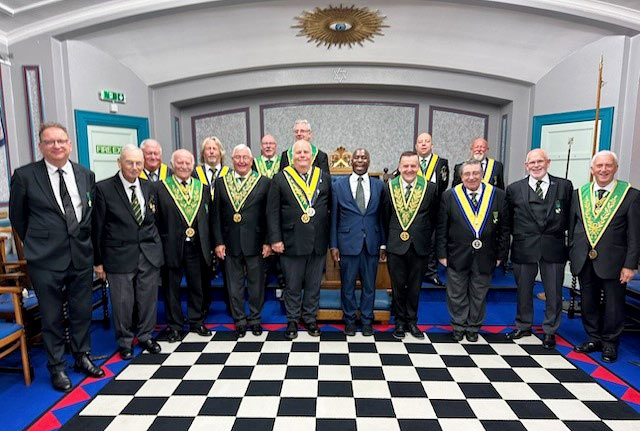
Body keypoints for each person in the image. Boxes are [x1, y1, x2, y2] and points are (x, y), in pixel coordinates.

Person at [9, 122, 104, 392]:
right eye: (50, 142)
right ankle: (57, 367)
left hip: (80, 256)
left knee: (81, 311)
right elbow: (18, 217)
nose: (57, 146)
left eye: (61, 141)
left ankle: (81, 356)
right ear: (41, 146)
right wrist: (40, 242)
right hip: (45, 260)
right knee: (51, 317)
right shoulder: (25, 176)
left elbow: (88, 214)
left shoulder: (86, 174)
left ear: (70, 144)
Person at [92, 145, 163, 359]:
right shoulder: (103, 189)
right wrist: (98, 261)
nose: (134, 167)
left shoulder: (150, 187)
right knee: (123, 302)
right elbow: (97, 227)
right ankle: (124, 341)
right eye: (130, 162)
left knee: (148, 298)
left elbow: (154, 220)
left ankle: (145, 335)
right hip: (118, 256)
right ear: (119, 162)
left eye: (138, 163)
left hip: (148, 254)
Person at [569, 150, 640, 362]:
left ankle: (610, 342)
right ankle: (593, 337)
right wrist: (573, 252)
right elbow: (573, 227)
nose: (603, 170)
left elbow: (635, 235)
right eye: (599, 166)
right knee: (588, 301)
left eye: (608, 166)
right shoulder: (579, 194)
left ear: (615, 168)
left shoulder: (631, 196)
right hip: (584, 258)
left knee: (614, 304)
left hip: (615, 262)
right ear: (592, 170)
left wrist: (630, 264)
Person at [505, 149, 573, 349]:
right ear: (526, 166)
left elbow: (570, 217)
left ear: (548, 163)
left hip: (553, 247)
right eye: (531, 162)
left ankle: (550, 330)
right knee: (523, 290)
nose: (536, 165)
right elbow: (508, 220)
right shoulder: (514, 189)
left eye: (539, 161)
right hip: (524, 247)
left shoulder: (564, 186)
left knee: (554, 292)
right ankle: (523, 325)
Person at [438, 159, 509, 342]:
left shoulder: (498, 195)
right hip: (456, 254)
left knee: (479, 293)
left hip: (487, 255)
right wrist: (442, 254)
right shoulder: (449, 196)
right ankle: (458, 325)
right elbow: (442, 228)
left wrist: (501, 255)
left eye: (475, 173)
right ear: (461, 176)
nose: (471, 177)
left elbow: (504, 229)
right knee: (456, 293)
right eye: (467, 174)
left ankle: (473, 327)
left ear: (482, 174)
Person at [268, 139, 331, 339]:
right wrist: (275, 239)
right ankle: (293, 320)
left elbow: (330, 207)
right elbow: (272, 212)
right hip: (290, 241)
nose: (302, 156)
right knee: (292, 284)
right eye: (299, 153)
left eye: (306, 152)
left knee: (313, 284)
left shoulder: (323, 177)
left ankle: (310, 318)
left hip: (317, 241)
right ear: (292, 157)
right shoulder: (280, 178)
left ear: (312, 156)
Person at [213, 145, 271, 337]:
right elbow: (217, 216)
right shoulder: (221, 183)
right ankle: (239, 319)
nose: (241, 161)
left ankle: (255, 319)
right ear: (231, 159)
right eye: (237, 157)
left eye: (245, 157)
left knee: (256, 285)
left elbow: (269, 215)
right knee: (233, 284)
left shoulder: (263, 182)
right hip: (230, 243)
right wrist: (218, 242)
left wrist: (268, 241)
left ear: (252, 160)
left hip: (256, 242)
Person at [155, 149, 213, 342]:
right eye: (180, 162)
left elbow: (208, 218)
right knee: (172, 288)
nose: (184, 166)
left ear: (193, 165)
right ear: (172, 164)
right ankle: (175, 326)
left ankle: (196, 320)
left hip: (197, 246)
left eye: (188, 163)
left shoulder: (202, 188)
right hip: (171, 246)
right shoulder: (161, 188)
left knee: (197, 286)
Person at [381, 151, 439, 339]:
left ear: (419, 167)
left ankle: (412, 322)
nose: (409, 169)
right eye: (405, 166)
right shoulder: (389, 187)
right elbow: (385, 216)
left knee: (415, 287)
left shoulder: (430, 188)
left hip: (419, 245)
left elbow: (434, 218)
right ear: (399, 167)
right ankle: (398, 322)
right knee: (398, 286)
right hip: (396, 245)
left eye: (413, 166)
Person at [330, 148, 385, 336]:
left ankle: (367, 320)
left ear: (369, 161)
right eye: (357, 157)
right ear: (351, 160)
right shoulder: (339, 186)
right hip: (347, 244)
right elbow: (334, 219)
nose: (360, 160)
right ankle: (350, 320)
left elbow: (381, 217)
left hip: (371, 243)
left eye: (364, 157)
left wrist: (383, 244)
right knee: (348, 286)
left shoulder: (379, 186)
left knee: (370, 286)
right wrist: (334, 245)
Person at [415, 132, 449, 286]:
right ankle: (416, 273)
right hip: (413, 209)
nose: (423, 144)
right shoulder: (411, 161)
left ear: (431, 145)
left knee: (432, 242)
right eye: (420, 142)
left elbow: (443, 185)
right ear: (416, 146)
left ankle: (431, 272)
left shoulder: (441, 163)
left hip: (433, 210)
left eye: (426, 141)